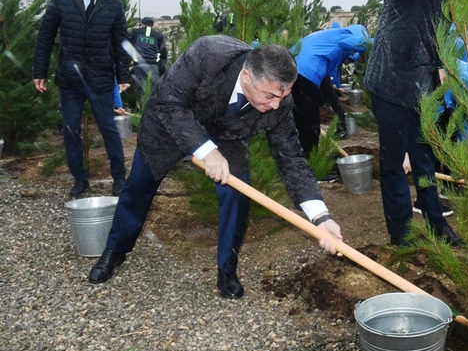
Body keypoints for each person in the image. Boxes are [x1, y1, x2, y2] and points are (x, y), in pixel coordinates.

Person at [87, 36, 343, 299]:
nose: (276, 105)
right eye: (270, 96)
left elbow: (291, 158)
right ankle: (116, 249)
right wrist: (206, 150)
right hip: (170, 122)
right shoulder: (209, 54)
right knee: (139, 186)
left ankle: (227, 270)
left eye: (283, 96)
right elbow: (169, 101)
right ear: (247, 75)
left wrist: (321, 217)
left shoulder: (280, 104)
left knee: (236, 193)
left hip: (225, 134)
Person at [363, 0, 464, 247]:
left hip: (422, 90)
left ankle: (437, 225)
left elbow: (437, 31)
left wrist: (441, 65)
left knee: (424, 163)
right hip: (391, 83)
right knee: (394, 165)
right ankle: (401, 234)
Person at [33, 0, 132, 198]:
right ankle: (80, 178)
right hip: (70, 80)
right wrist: (39, 71)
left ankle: (119, 177)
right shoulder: (62, 0)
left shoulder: (114, 5)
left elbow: (121, 43)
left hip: (100, 80)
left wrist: (123, 76)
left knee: (109, 129)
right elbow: (45, 37)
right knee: (70, 130)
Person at [291, 24, 369, 156]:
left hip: (290, 71)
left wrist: (332, 88)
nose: (351, 54)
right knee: (310, 123)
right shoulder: (343, 35)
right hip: (306, 75)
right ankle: (309, 162)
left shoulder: (324, 37)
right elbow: (361, 43)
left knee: (297, 121)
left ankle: (297, 158)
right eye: (351, 53)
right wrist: (378, 41)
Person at [127, 17, 167, 108]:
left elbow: (127, 47)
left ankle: (143, 110)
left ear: (142, 24)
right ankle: (153, 110)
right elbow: (163, 54)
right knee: (154, 91)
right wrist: (162, 68)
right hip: (153, 66)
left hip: (139, 66)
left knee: (141, 91)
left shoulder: (135, 33)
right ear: (152, 26)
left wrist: (127, 65)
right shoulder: (159, 36)